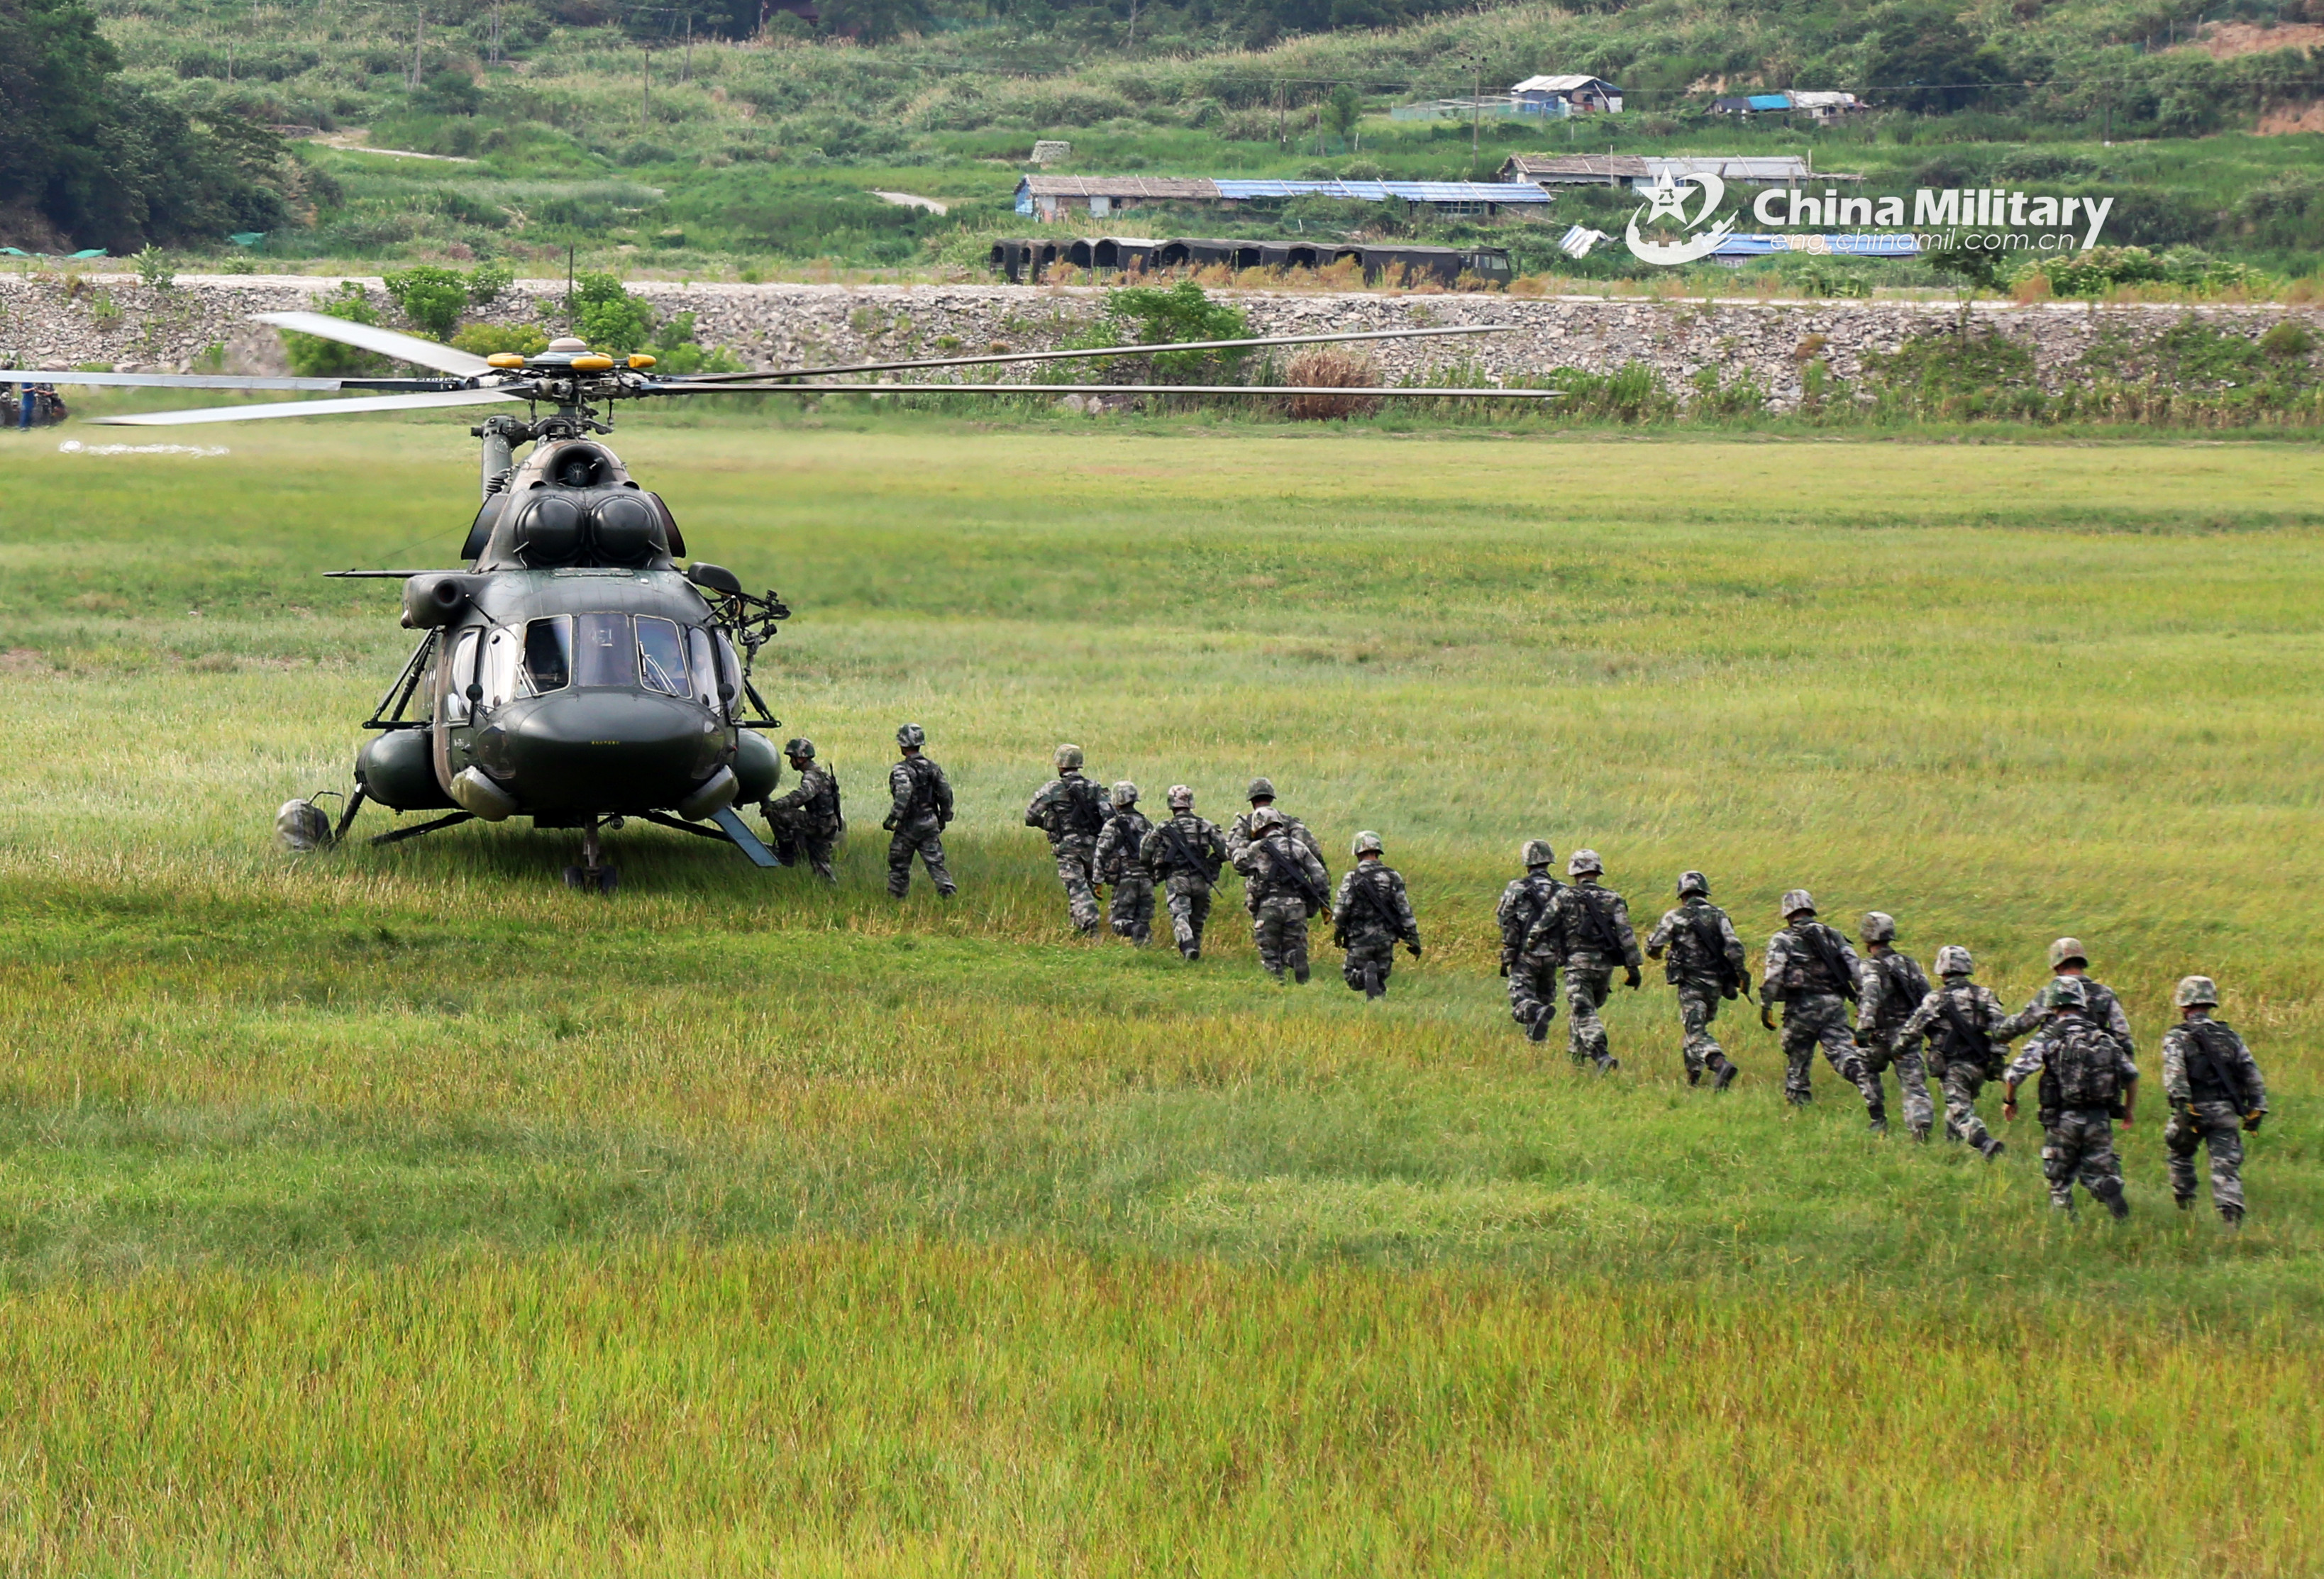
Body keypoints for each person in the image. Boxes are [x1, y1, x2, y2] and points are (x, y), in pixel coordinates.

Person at [2002, 975, 2136, 1219]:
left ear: (2053, 1005)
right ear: (2081, 1003)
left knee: (2060, 1179)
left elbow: (2014, 1075)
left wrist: (2009, 1101)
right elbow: (2131, 1075)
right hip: (2099, 1118)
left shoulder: (2050, 1036)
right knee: (2097, 1169)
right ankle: (2106, 1185)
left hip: (2063, 1118)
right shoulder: (2101, 1037)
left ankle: (2066, 1225)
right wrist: (2129, 1110)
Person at [1759, 890, 1887, 1130]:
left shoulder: (1782, 939)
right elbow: (1856, 970)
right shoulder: (1834, 935)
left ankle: (1798, 1108)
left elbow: (1774, 976)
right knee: (1842, 1054)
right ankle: (1867, 1086)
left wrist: (1766, 1006)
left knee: (1798, 1055)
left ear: (1787, 913)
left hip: (1800, 1007)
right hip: (1833, 1005)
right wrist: (1863, 1002)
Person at [2161, 975, 2267, 1228]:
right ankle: (2231, 1223)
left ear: (2184, 1005)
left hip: (2193, 1110)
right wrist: (2257, 1107)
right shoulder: (2231, 1036)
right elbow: (2251, 1073)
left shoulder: (2176, 1036)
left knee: (2179, 1152)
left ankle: (2185, 1206)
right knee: (2226, 1167)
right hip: (2225, 1112)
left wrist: (2184, 1106)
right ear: (2210, 1003)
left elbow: (2174, 1074)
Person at [1525, 849, 1640, 1074]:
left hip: (1578, 966)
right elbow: (1626, 936)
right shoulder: (1614, 899)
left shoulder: (1565, 897)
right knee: (1582, 1009)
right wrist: (1633, 968)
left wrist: (1530, 945)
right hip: (1604, 968)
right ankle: (1576, 1059)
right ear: (1597, 871)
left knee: (1584, 1012)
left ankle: (1601, 1055)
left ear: (1574, 872)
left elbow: (1542, 926)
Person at [1892, 945, 2010, 1159]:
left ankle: (1986, 1143)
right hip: (1980, 1064)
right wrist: (1997, 1058)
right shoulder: (1984, 995)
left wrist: (1897, 1049)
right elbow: (2002, 1029)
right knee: (1958, 1106)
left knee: (1961, 1112)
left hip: (1953, 1065)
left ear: (1942, 971)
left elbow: (1913, 1030)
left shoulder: (1936, 999)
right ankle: (1951, 1151)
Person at [1643, 870, 1747, 1089]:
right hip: (1716, 983)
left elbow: (1653, 947)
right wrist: (1740, 974)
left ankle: (1718, 1062)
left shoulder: (1675, 916)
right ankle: (1693, 1079)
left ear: (1682, 895)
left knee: (1695, 1031)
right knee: (1695, 1027)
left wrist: (1653, 951)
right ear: (1704, 892)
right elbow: (1735, 947)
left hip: (1690, 982)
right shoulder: (1719, 915)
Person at [1855, 912, 1936, 1140]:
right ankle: (1920, 1130)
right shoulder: (1909, 964)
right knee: (1914, 1085)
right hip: (1908, 1035)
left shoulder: (1869, 966)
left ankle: (1877, 1119)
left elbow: (1871, 994)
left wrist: (1864, 1027)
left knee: (1865, 1068)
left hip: (1878, 1036)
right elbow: (1927, 997)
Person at [1236, 805, 1329, 984]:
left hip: (1268, 906)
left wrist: (1242, 846)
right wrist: (1317, 901)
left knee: (1270, 954)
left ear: (1259, 827)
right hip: (1296, 906)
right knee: (1293, 946)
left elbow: (1239, 864)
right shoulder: (1298, 846)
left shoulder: (1257, 848)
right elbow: (1320, 876)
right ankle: (1295, 958)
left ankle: (1277, 986)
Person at [1997, 936, 2135, 1057]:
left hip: (2060, 1070)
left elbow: (2024, 1023)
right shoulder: (2105, 993)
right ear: (2082, 963)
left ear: (2056, 965)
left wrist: (1999, 1033)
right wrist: (2125, 1068)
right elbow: (2122, 1034)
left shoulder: (2051, 992)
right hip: (2098, 1068)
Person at [1024, 743, 1110, 934]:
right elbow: (1109, 816)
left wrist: (1047, 825)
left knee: (1076, 888)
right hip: (1093, 847)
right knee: (1084, 887)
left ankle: (1090, 927)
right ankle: (1077, 932)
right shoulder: (1094, 787)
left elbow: (1030, 816)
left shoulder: (1054, 788)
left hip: (1068, 848)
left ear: (1060, 765)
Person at [1141, 785, 1229, 960]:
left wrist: (1153, 869)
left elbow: (1145, 853)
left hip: (1177, 878)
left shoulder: (1164, 828)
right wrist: (1211, 864)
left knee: (1180, 915)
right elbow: (1224, 852)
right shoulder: (1206, 825)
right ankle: (1194, 951)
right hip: (1201, 879)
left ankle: (1188, 946)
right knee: (1197, 920)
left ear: (1171, 805)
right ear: (1190, 803)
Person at [1332, 831, 1421, 999]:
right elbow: (1405, 911)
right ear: (1378, 851)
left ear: (1357, 851)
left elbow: (1341, 910)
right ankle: (1376, 1010)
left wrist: (1339, 932)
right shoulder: (1393, 876)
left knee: (1352, 977)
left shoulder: (1352, 877)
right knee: (1380, 979)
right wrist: (1414, 939)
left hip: (1359, 937)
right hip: (1385, 937)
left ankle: (1365, 976)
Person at [1224, 777, 1327, 920]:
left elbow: (1232, 853)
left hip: (1262, 892)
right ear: (1272, 798)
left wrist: (1253, 849)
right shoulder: (1289, 821)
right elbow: (1313, 851)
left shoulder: (1245, 824)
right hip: (1294, 891)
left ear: (1252, 801)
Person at [1496, 839, 1562, 1043]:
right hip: (1553, 954)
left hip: (1526, 953)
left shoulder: (1516, 888)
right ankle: (1536, 1043)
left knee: (1521, 999)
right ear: (1549, 860)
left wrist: (1509, 950)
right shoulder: (1563, 889)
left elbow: (1504, 919)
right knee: (1544, 997)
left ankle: (1536, 1012)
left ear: (1527, 862)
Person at [884, 723, 955, 899]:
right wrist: (944, 817)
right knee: (936, 864)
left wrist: (893, 817)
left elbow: (904, 793)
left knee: (899, 865)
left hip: (908, 825)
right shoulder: (933, 767)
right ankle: (949, 895)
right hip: (930, 822)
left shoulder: (901, 769)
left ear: (902, 744)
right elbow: (945, 792)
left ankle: (896, 900)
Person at [760, 736, 841, 884]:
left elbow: (804, 794)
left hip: (818, 824)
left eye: (793, 758)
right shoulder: (820, 773)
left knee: (777, 813)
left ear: (802, 758)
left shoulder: (812, 775)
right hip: (829, 825)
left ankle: (787, 853)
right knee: (821, 865)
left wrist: (776, 805)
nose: (791, 762)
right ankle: (829, 891)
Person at [1093, 782, 1155, 945]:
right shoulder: (1147, 823)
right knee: (1143, 921)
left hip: (1126, 877)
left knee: (1119, 922)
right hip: (1147, 878)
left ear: (1116, 800)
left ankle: (1135, 932)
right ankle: (1145, 956)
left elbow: (1101, 852)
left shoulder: (1113, 825)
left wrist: (1097, 881)